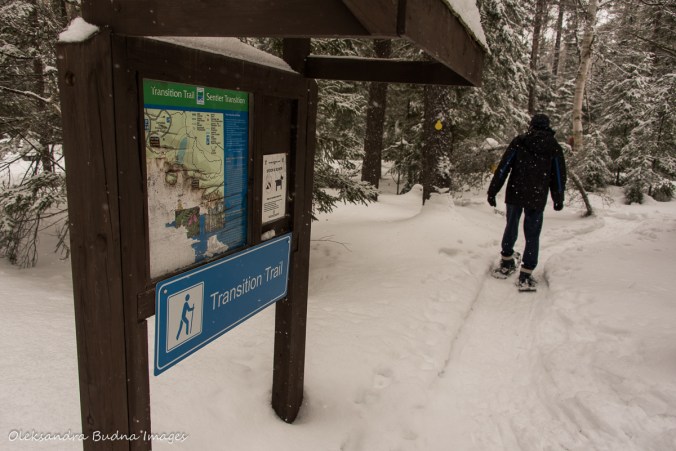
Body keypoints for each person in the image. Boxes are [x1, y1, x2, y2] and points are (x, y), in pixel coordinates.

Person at [487, 113, 567, 291]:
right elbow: (559, 176)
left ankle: (507, 261)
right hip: (537, 196)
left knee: (511, 225)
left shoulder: (520, 141)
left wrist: (493, 191)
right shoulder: (553, 147)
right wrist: (558, 198)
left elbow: (504, 167)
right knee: (532, 234)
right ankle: (526, 272)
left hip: (515, 192)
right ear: (547, 127)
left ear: (531, 125)